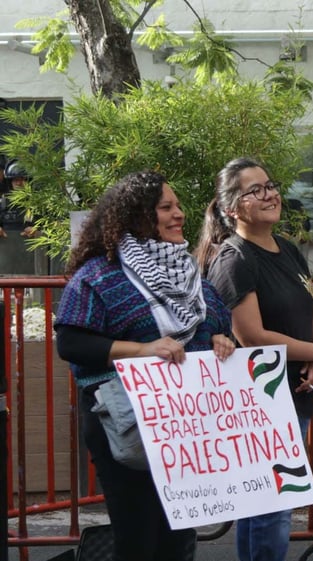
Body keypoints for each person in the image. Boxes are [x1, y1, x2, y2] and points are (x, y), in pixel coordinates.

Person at [54, 171, 235, 561]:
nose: (179, 214)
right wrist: (142, 349)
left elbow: (217, 324)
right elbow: (71, 342)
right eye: (165, 208)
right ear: (137, 216)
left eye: (178, 206)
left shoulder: (190, 276)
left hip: (185, 425)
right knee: (137, 536)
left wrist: (224, 340)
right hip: (127, 423)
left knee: (178, 537)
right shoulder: (98, 277)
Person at [195, 157, 313, 561]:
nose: (269, 194)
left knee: (269, 506)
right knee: (270, 508)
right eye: (254, 190)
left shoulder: (288, 249)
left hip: (295, 389)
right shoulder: (234, 258)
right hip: (260, 398)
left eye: (270, 185)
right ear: (231, 208)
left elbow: (311, 302)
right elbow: (251, 335)